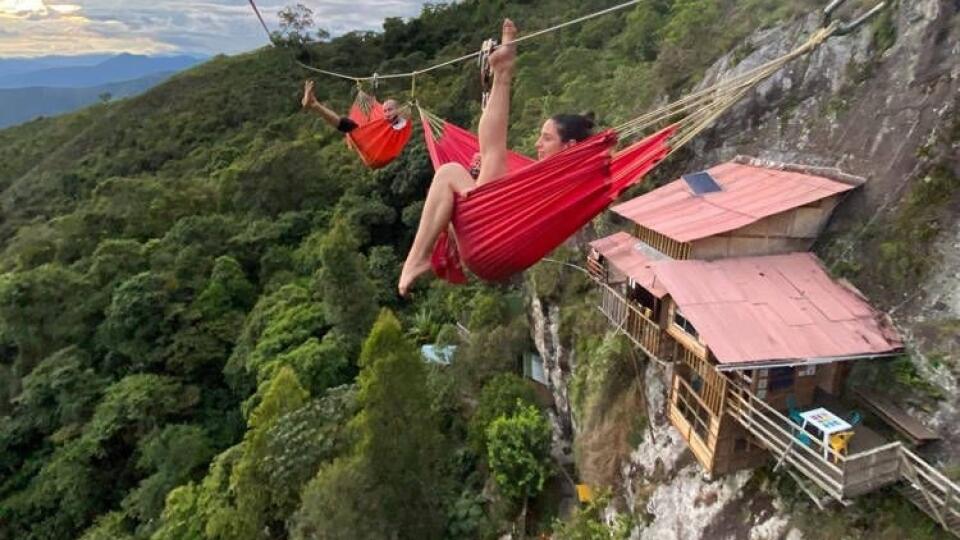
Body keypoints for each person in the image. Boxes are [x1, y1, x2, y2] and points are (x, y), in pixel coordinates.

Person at [398, 19, 596, 296]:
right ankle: (502, 73)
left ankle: (419, 256)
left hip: (496, 248)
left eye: (547, 138)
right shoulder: (539, 176)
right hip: (491, 249)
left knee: (452, 172)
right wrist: (481, 182)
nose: (538, 144)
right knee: (485, 162)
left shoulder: (569, 179)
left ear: (570, 146)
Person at [301, 80, 407, 133]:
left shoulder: (402, 123)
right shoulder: (382, 120)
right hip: (368, 139)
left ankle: (314, 105)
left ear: (398, 110)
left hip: (379, 146)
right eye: (385, 111)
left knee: (347, 125)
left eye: (390, 110)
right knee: (346, 123)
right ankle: (315, 105)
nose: (387, 113)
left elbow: (401, 126)